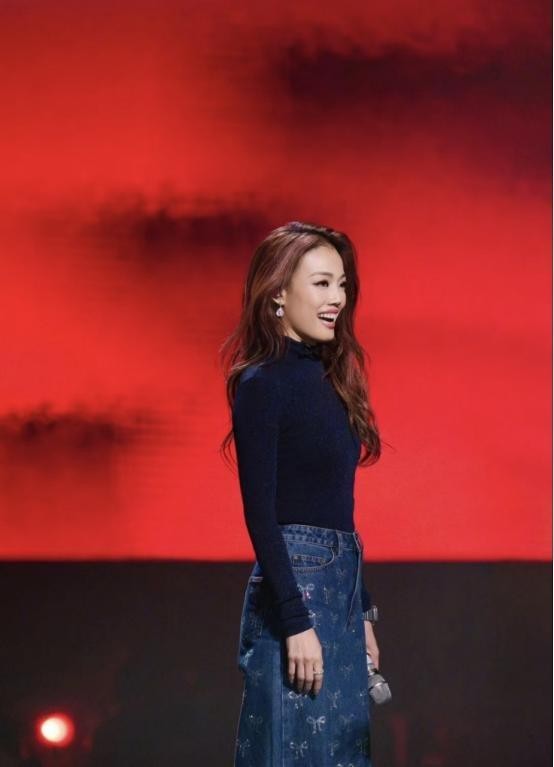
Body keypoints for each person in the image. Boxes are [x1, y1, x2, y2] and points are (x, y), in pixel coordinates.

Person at [220, 220, 382, 766]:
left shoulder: (334, 380)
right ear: (277, 295)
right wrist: (295, 622)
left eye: (342, 284)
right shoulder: (262, 384)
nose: (337, 298)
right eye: (321, 283)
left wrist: (361, 613)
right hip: (295, 591)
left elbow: (340, 510)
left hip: (340, 590)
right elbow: (260, 514)